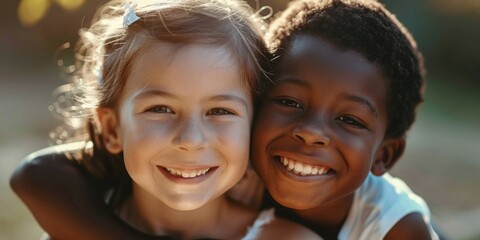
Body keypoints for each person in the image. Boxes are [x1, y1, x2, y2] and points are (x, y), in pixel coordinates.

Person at [11, 0, 443, 239]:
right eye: (160, 108)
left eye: (220, 111)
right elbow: (35, 176)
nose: (191, 138)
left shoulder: (391, 225)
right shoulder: (90, 209)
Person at [252, 0, 439, 239]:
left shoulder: (398, 228)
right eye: (290, 102)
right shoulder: (225, 181)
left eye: (349, 119)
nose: (311, 132)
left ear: (385, 155)